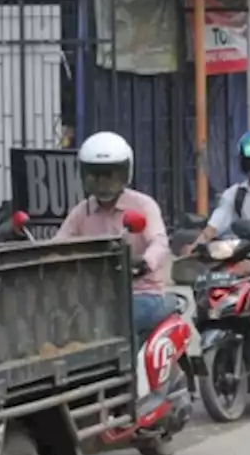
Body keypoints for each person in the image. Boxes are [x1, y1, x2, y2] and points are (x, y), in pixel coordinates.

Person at [56, 132, 172, 338]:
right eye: (95, 175)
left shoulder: (143, 205)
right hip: (93, 297)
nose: (103, 182)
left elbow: (159, 242)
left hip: (141, 293)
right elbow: (57, 246)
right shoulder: (81, 212)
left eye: (110, 174)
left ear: (125, 174)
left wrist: (145, 263)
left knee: (113, 321)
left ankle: (130, 371)